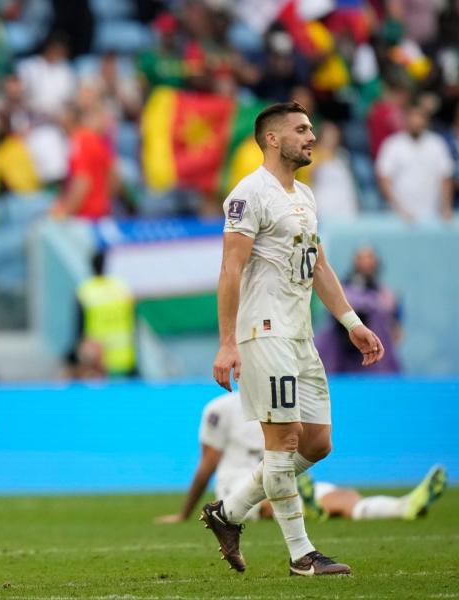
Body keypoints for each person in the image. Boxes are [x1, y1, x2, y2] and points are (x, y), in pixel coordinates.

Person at [207, 101, 386, 577]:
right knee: (283, 441)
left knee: (318, 443)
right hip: (264, 333)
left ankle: (227, 513)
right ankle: (302, 555)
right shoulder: (248, 194)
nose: (311, 136)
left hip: (300, 334)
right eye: (301, 129)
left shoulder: (303, 196)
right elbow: (230, 269)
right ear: (272, 138)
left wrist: (352, 324)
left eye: (311, 129)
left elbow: (320, 266)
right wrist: (227, 342)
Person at [158, 392, 447, 524]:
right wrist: (185, 513)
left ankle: (403, 507)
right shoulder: (220, 410)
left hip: (284, 477)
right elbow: (206, 465)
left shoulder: (284, 402)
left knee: (344, 494)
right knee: (276, 498)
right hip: (238, 487)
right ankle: (308, 505)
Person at [317, 246, 402, 374]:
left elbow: (397, 330)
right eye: (361, 258)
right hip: (338, 361)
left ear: (376, 262)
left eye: (369, 258)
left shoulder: (386, 295)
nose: (365, 262)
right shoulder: (341, 292)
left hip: (377, 367)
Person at [376, 103, 454, 222]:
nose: (416, 122)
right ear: (405, 119)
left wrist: (446, 206)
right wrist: (398, 209)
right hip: (400, 217)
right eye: (412, 117)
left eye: (420, 117)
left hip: (433, 214)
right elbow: (384, 178)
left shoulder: (436, 143)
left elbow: (446, 177)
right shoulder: (393, 144)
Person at [71, 252, 135, 378]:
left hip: (96, 357)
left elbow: (79, 325)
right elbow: (133, 319)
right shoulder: (121, 288)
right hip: (122, 354)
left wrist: (78, 347)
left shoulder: (86, 290)